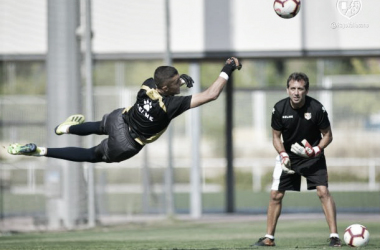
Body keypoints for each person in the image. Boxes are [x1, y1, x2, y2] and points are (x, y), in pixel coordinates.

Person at [7, 57, 241, 163]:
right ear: (166, 88)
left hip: (119, 119)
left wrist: (179, 81)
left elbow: (163, 85)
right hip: (127, 142)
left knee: (100, 125)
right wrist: (227, 68)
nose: (179, 83)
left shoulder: (147, 83)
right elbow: (211, 94)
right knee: (91, 155)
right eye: (176, 81)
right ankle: (40, 150)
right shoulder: (171, 105)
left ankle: (65, 127)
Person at [253, 72, 341, 247]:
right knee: (275, 195)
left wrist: (316, 150)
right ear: (287, 90)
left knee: (323, 192)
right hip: (289, 157)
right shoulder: (279, 108)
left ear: (306, 91)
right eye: (292, 88)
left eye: (300, 89)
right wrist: (283, 154)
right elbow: (276, 138)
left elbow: (328, 135)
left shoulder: (316, 108)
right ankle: (269, 238)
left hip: (312, 156)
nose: (296, 92)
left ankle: (334, 236)